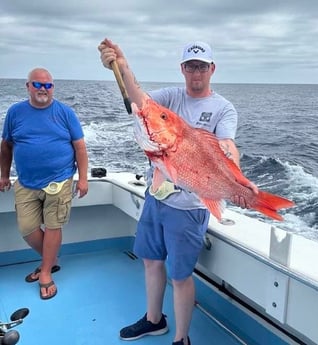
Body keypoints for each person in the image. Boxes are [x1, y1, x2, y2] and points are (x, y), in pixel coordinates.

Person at [98, 39, 255, 345]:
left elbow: (226, 146)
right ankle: (153, 320)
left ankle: (181, 339)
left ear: (212, 69)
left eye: (202, 66)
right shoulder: (170, 97)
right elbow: (139, 100)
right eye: (190, 66)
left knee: (181, 276)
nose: (196, 72)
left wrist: (238, 180)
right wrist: (121, 63)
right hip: (156, 198)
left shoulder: (223, 108)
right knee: (151, 260)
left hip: (190, 206)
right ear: (183, 69)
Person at [0, 67, 88, 300]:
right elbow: (6, 146)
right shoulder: (15, 112)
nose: (43, 89)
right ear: (27, 86)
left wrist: (83, 179)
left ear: (53, 88)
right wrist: (3, 175)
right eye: (37, 84)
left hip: (59, 181)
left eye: (47, 85)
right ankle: (52, 259)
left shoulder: (65, 113)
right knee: (26, 228)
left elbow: (80, 147)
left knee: (53, 226)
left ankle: (46, 271)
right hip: (26, 182)